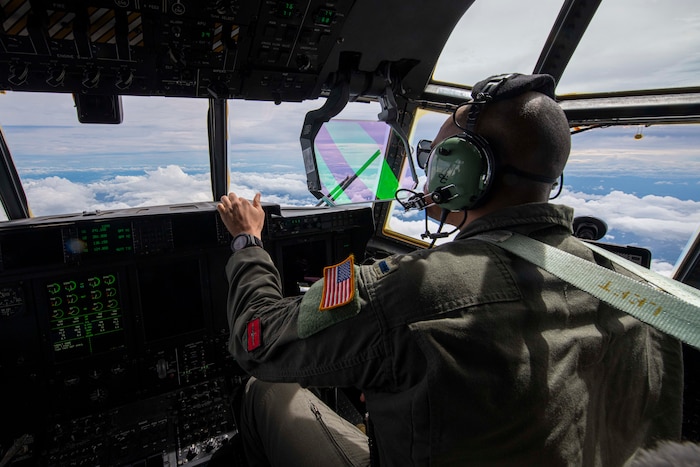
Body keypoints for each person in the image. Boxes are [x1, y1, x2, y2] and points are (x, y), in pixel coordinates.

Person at [216, 73, 683, 466]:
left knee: (263, 391)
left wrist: (248, 242)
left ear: (461, 169)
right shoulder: (639, 291)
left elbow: (257, 338)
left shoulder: (406, 290)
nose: (429, 170)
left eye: (436, 156)